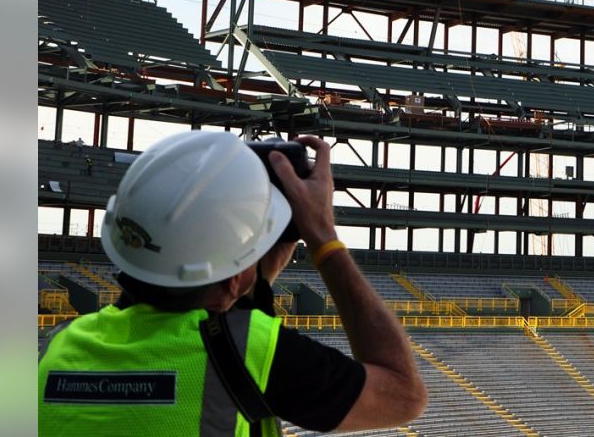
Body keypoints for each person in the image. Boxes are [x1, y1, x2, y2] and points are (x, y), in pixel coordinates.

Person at [38, 131, 427, 435]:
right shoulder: (252, 353)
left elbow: (218, 312)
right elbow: (403, 394)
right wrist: (323, 237)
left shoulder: (59, 349)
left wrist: (249, 267)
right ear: (235, 281)